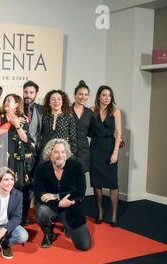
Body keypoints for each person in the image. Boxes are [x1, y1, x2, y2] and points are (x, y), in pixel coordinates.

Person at [34, 139, 91, 251]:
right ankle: (48, 233)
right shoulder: (42, 168)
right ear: (49, 154)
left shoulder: (76, 166)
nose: (60, 155)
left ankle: (68, 227)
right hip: (52, 209)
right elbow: (39, 194)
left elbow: (80, 192)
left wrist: (56, 196)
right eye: (56, 152)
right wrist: (59, 202)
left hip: (72, 210)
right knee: (41, 211)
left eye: (63, 152)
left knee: (84, 246)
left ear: (67, 153)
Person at [89, 85, 122, 227]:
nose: (107, 98)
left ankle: (114, 214)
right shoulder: (91, 110)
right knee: (96, 183)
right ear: (98, 97)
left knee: (113, 184)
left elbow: (119, 133)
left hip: (110, 147)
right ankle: (100, 212)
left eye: (109, 95)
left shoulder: (115, 111)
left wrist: (115, 153)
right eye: (104, 95)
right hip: (95, 148)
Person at [0, 94, 35, 191]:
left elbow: (26, 140)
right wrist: (10, 123)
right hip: (1, 158)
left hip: (16, 159)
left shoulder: (22, 119)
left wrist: (16, 125)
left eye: (9, 100)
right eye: (5, 100)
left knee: (16, 189)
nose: (6, 102)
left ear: (16, 104)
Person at [21, 80, 43, 224]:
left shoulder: (42, 110)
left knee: (33, 185)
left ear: (35, 94)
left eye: (31, 92)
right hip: (20, 153)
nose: (28, 95)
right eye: (26, 92)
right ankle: (21, 215)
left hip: (36, 154)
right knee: (22, 185)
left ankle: (30, 213)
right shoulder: (17, 107)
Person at [39, 90, 77, 158]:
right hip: (46, 154)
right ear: (49, 103)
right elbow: (41, 136)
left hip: (62, 155)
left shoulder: (69, 117)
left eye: (59, 99)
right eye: (53, 99)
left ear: (63, 102)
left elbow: (73, 139)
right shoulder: (44, 117)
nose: (56, 101)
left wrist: (70, 156)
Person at [72, 80, 93, 173]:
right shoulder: (66, 111)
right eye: (80, 94)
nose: (83, 97)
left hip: (84, 151)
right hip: (68, 150)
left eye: (86, 94)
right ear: (75, 95)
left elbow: (93, 132)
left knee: (81, 181)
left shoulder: (90, 113)